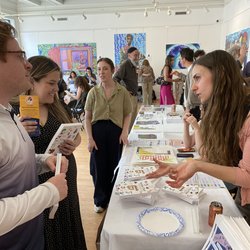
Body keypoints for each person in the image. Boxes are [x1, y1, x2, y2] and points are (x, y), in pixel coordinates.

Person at [147, 50, 250, 224]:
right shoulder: (225, 112)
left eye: (197, 78)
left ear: (221, 75)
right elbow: (215, 157)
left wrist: (196, 165)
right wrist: (179, 165)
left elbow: (247, 176)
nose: (193, 88)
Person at [0, 20, 68, 249]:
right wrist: (49, 192)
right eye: (19, 55)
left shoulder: (8, 113)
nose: (28, 65)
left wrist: (41, 162)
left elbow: (10, 165)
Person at [19, 56, 87, 249]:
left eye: (57, 83)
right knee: (45, 224)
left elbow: (77, 135)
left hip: (64, 172)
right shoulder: (16, 112)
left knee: (67, 216)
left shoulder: (58, 106)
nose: (56, 89)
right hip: (37, 179)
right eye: (51, 83)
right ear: (32, 80)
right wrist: (19, 132)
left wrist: (72, 144)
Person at [85, 57, 132, 213]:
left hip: (115, 132)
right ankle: (100, 200)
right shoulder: (93, 92)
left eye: (105, 68)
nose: (101, 72)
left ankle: (113, 198)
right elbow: (87, 117)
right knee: (98, 167)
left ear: (112, 70)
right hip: (97, 132)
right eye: (98, 69)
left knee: (115, 165)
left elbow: (127, 114)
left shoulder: (122, 91)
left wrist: (125, 131)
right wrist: (90, 138)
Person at [113, 46, 139, 131]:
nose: (137, 57)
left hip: (134, 95)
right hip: (129, 96)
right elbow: (115, 79)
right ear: (129, 55)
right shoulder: (125, 64)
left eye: (138, 55)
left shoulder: (133, 65)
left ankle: (130, 137)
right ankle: (127, 138)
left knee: (133, 118)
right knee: (129, 119)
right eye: (135, 55)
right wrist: (125, 90)